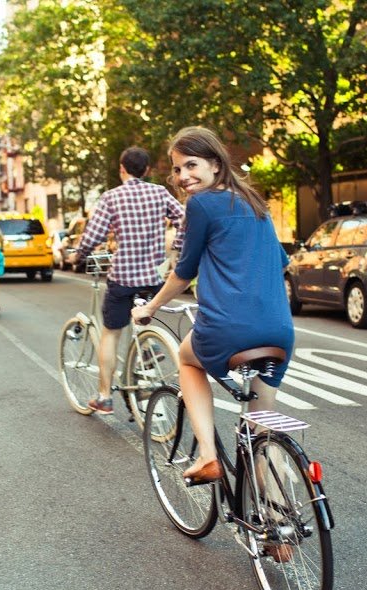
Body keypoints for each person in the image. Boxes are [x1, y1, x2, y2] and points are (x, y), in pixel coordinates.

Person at [131, 126, 294, 486]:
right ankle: (281, 527)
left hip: (227, 327)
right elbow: (282, 262)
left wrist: (149, 308)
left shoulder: (201, 204)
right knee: (261, 427)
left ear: (216, 165)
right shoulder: (253, 201)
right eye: (176, 169)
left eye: (191, 165)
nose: (183, 176)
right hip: (279, 331)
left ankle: (207, 455)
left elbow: (182, 273)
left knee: (188, 360)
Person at [68, 146, 184, 415]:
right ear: (147, 171)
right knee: (142, 317)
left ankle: (105, 396)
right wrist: (177, 247)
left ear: (122, 169)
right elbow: (184, 218)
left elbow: (94, 234)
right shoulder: (159, 192)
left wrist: (79, 255)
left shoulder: (112, 197)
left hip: (122, 277)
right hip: (153, 277)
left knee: (111, 333)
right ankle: (147, 346)